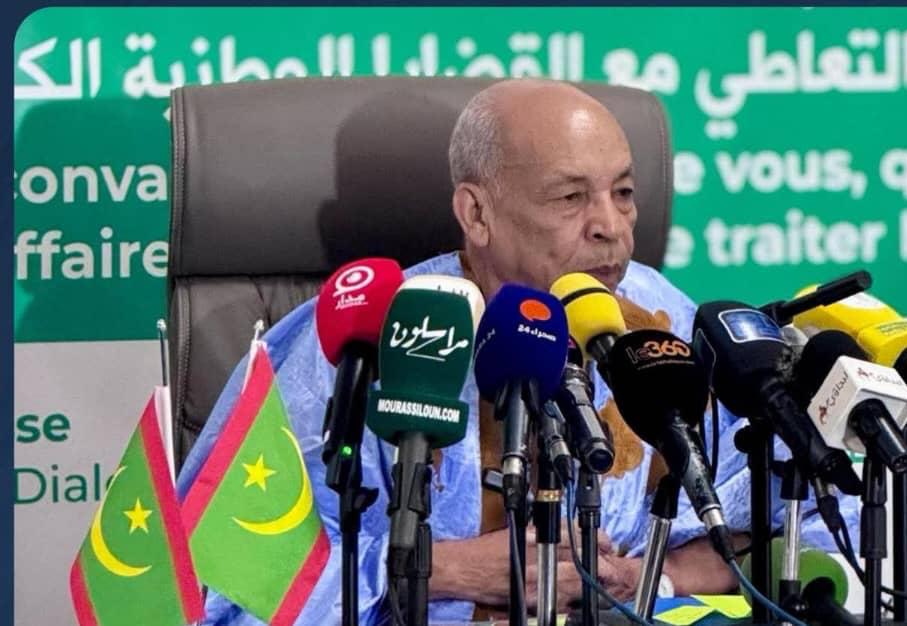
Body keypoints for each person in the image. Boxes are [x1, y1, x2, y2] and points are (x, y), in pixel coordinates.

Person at [177, 79, 860, 625]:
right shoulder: (366, 336)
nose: (612, 227)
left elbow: (808, 514)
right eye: (571, 197)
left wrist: (656, 576)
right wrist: (442, 569)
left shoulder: (658, 319)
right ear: (477, 214)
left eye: (624, 193)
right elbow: (221, 566)